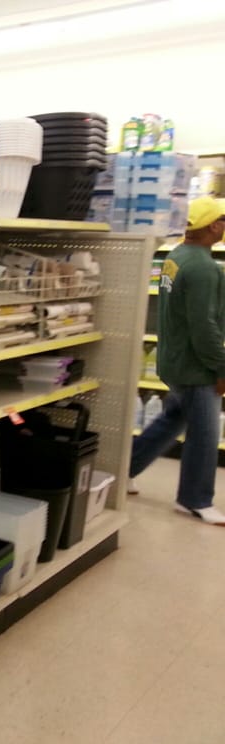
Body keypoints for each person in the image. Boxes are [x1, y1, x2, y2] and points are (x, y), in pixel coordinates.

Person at [128, 196, 225, 525]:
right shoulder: (203, 268)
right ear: (214, 225)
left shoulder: (177, 256)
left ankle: (125, 470)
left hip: (175, 359)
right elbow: (204, 326)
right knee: (205, 435)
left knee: (172, 420)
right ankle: (194, 500)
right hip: (197, 367)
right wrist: (221, 367)